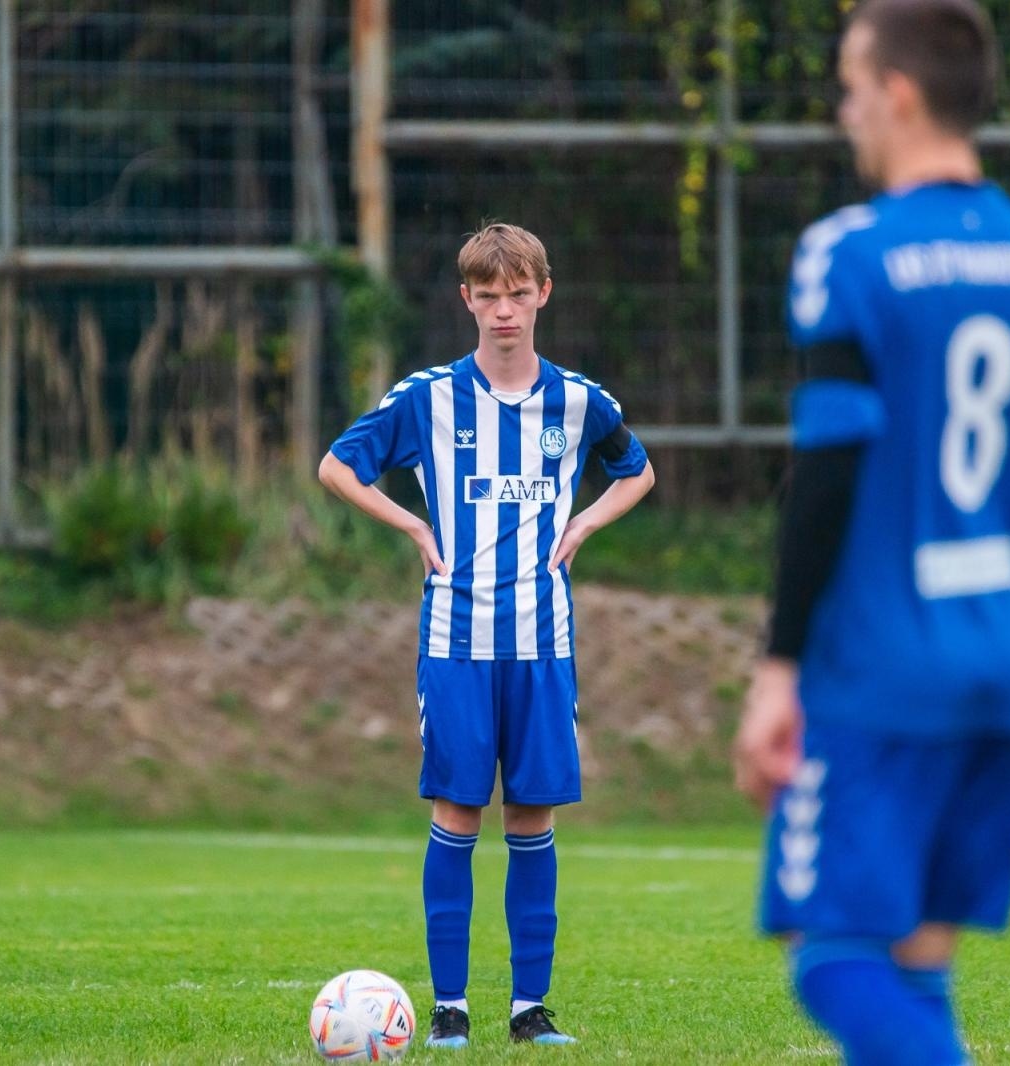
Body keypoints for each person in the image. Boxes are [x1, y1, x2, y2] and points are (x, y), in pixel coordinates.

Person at [731, 2, 1010, 1062]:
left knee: (833, 961)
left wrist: (778, 668)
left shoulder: (848, 254)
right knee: (918, 963)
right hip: (995, 661)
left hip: (877, 667)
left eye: (851, 87)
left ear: (898, 93)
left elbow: (824, 476)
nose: (844, 111)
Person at [318, 223, 654, 1048]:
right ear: (466, 299)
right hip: (455, 641)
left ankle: (529, 1011)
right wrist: (412, 527)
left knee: (532, 823)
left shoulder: (578, 401)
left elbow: (638, 471)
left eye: (518, 293)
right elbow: (336, 466)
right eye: (488, 295)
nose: (505, 310)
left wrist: (584, 522)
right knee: (458, 815)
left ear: (543, 293)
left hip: (544, 644)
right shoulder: (427, 397)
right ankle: (449, 1010)